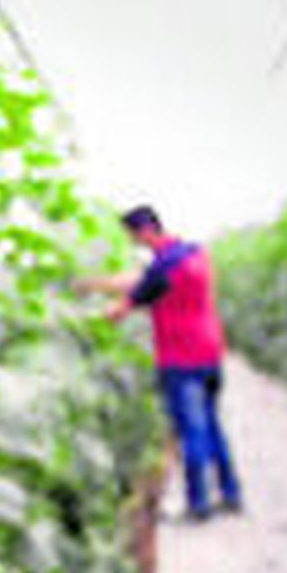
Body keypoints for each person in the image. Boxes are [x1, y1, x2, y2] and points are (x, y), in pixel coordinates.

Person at [79, 205, 242, 521]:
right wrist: (94, 284)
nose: (133, 244)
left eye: (132, 237)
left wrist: (92, 313)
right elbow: (139, 281)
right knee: (212, 424)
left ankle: (198, 505)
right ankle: (230, 494)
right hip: (210, 351)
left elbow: (126, 302)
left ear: (144, 231)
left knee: (189, 430)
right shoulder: (193, 255)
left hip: (181, 357)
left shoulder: (162, 270)